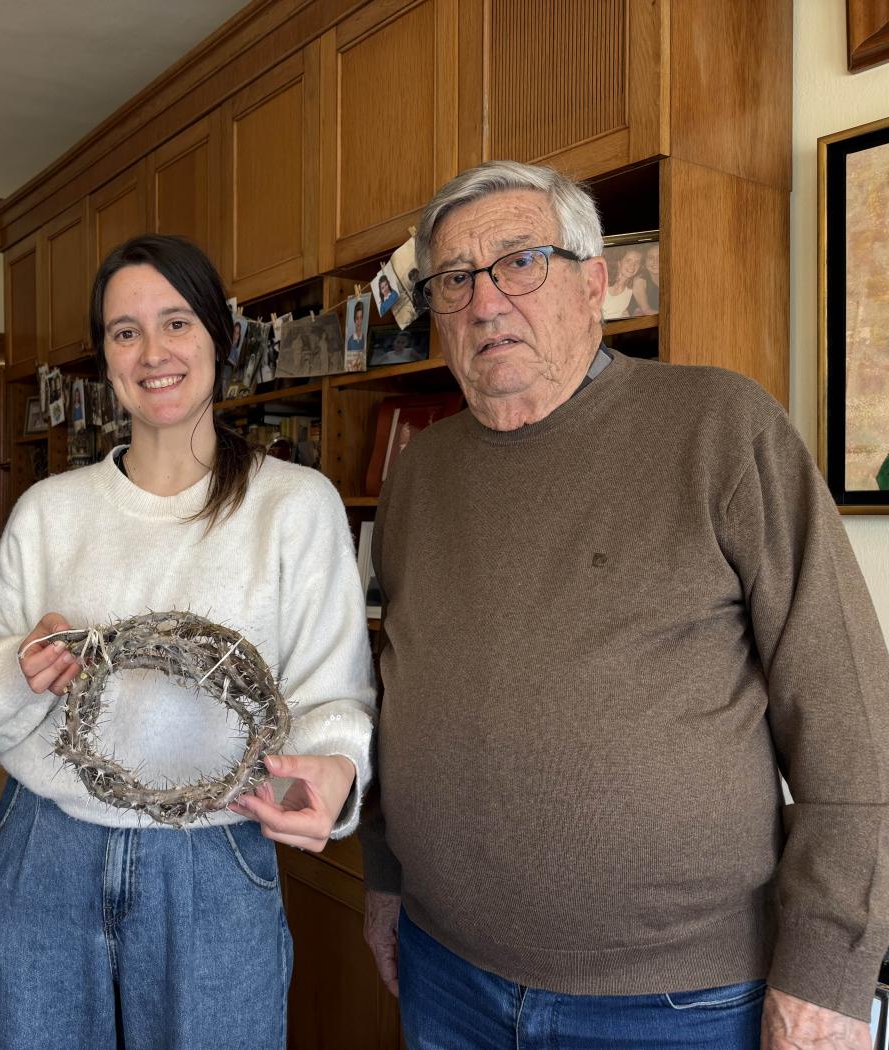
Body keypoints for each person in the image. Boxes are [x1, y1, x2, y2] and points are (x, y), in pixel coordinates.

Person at [360, 159, 889, 1050]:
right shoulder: (418, 471)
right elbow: (397, 682)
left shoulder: (721, 426)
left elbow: (855, 727)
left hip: (680, 1003)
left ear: (594, 283)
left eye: (520, 262)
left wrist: (827, 977)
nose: (486, 303)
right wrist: (383, 880)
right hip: (444, 970)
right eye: (453, 279)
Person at [0, 233, 376, 1050]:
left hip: (213, 859)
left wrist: (333, 768)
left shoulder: (295, 505)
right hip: (45, 847)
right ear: (105, 359)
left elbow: (333, 697)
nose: (153, 353)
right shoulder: (49, 510)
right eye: (124, 331)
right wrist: (17, 671)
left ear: (219, 337)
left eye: (176, 323)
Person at [602, 245, 646, 319]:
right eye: (628, 260)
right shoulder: (602, 281)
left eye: (637, 262)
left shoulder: (633, 287)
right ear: (619, 262)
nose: (632, 266)